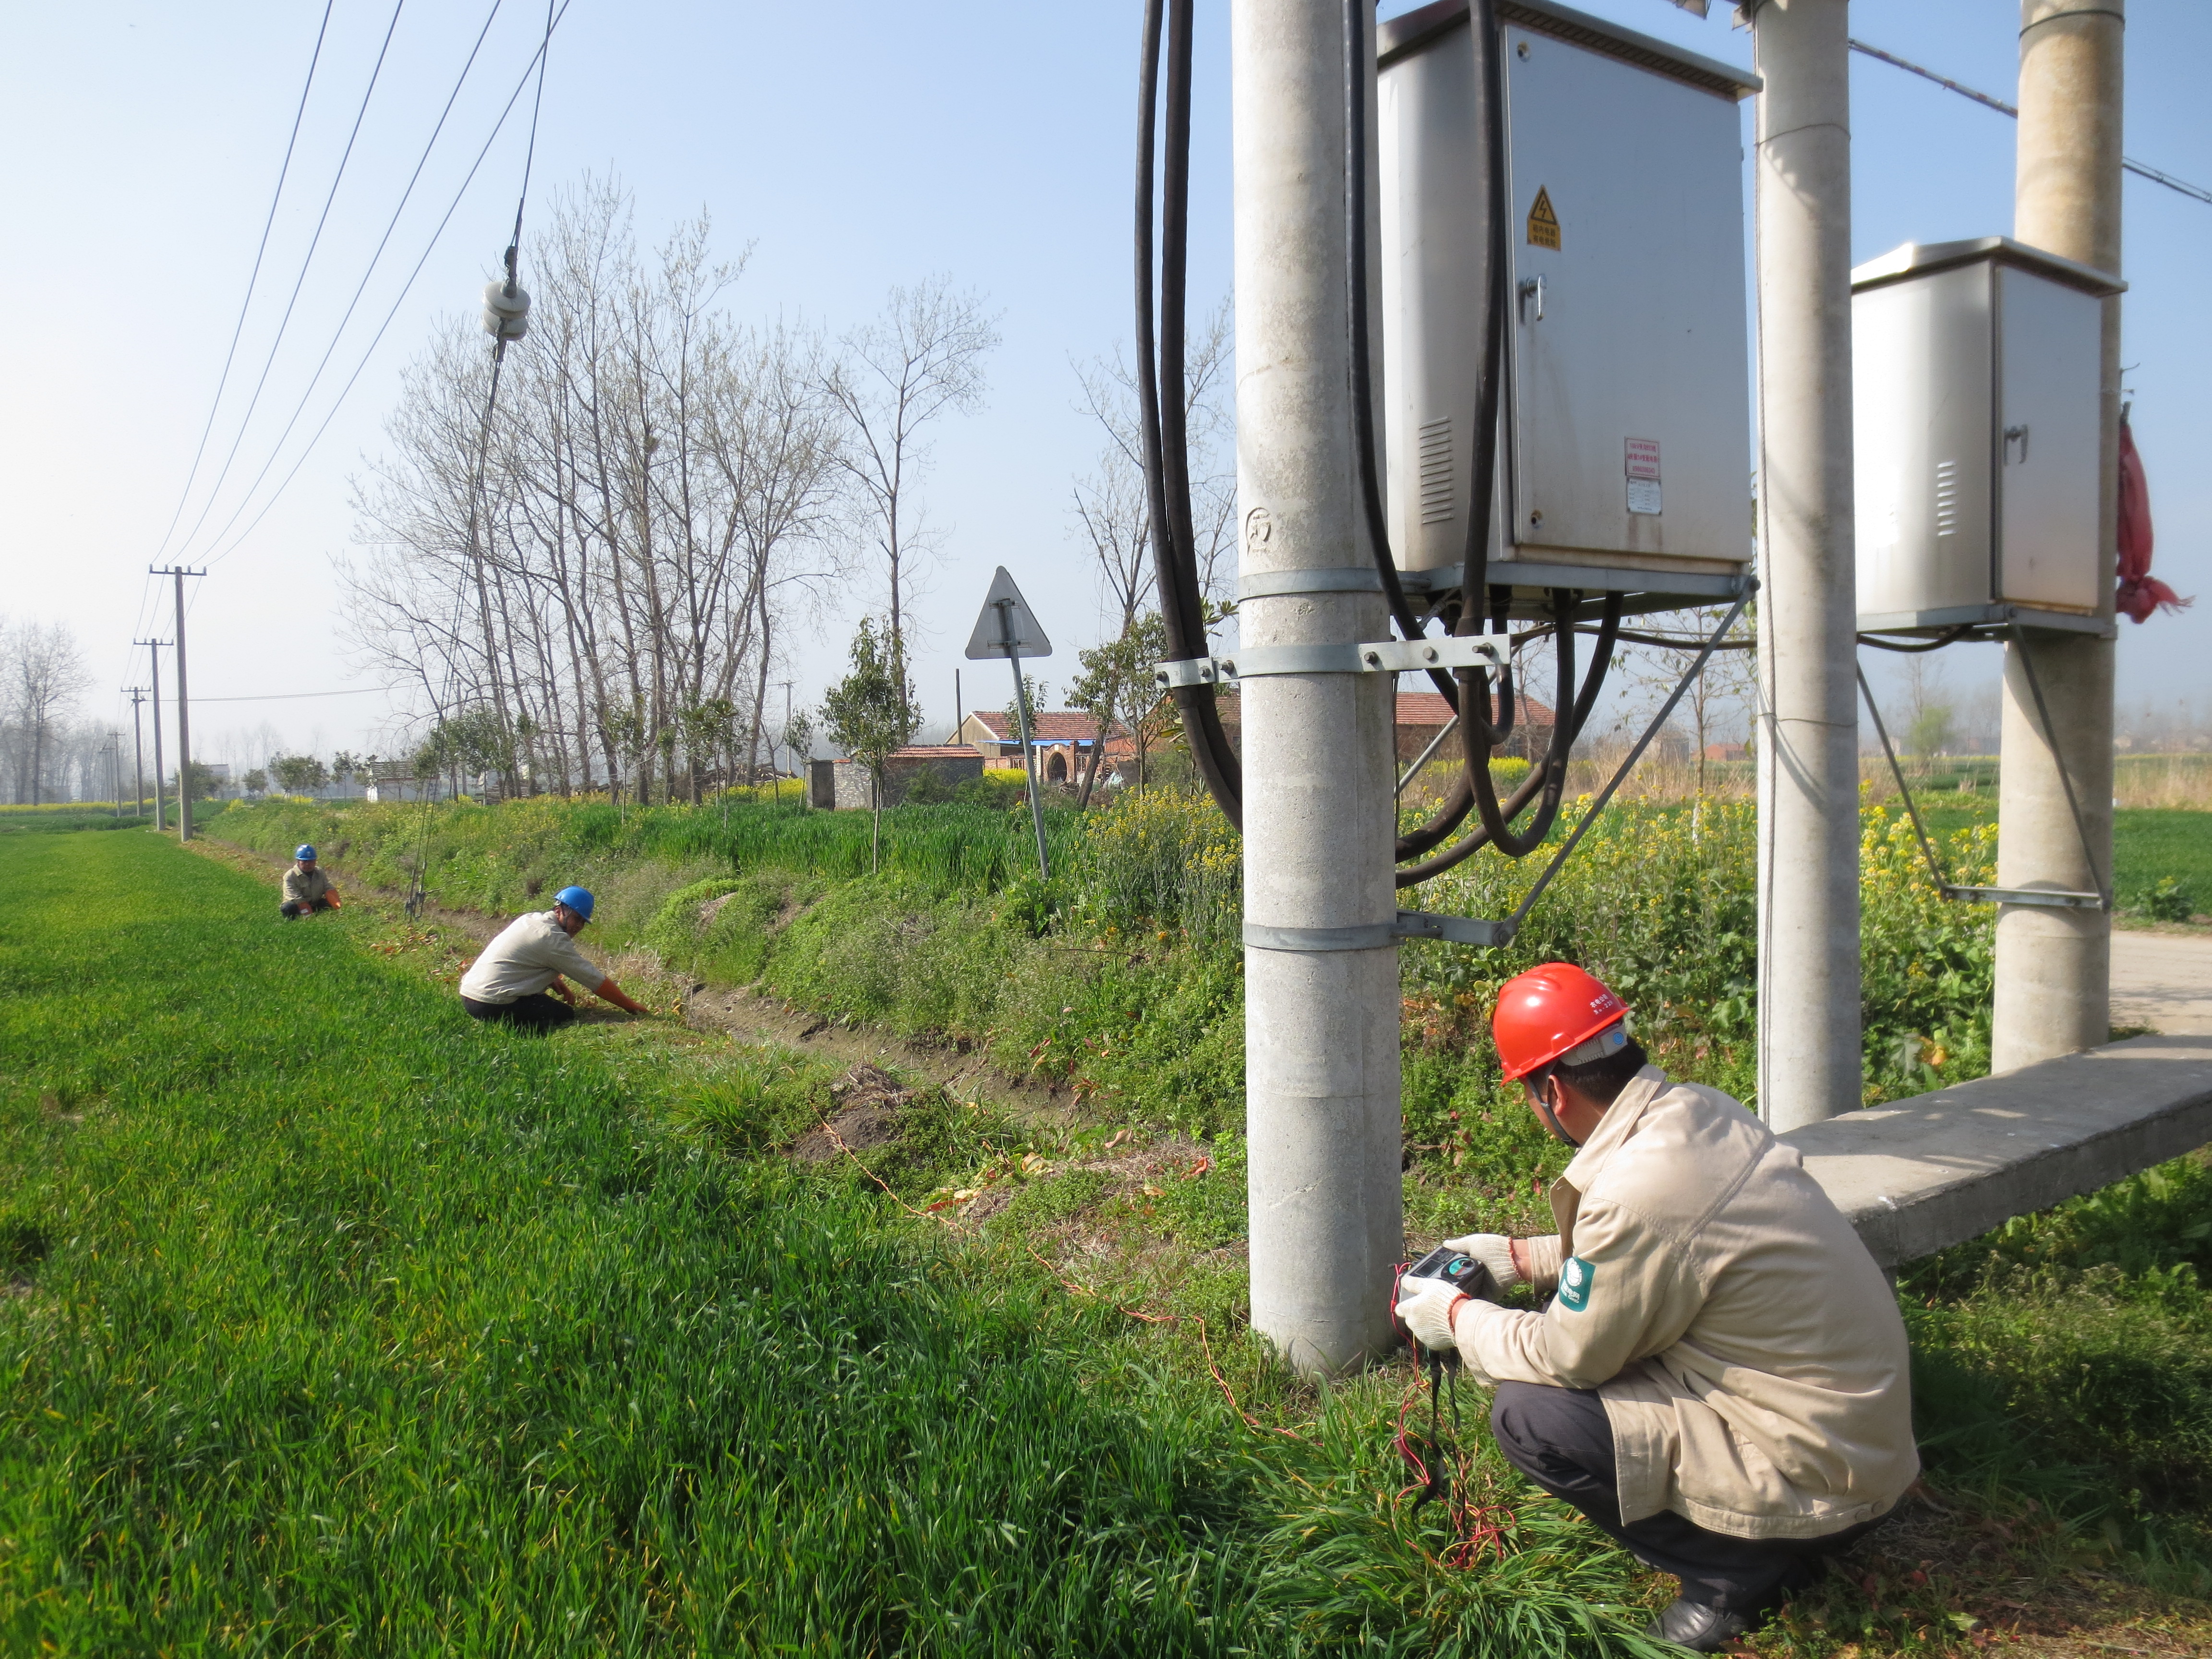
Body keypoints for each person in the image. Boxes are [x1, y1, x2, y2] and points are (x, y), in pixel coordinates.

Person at [1393, 963, 1917, 1653]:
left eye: (1526, 1093)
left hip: (1821, 1484)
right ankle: (1755, 1540)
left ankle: (1736, 1573)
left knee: (1533, 1413)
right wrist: (1521, 1259)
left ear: (1550, 1091)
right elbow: (1667, 1249)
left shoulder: (1636, 1192)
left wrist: (1459, 1319)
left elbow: (1569, 1357)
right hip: (1862, 1446)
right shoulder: (1702, 1111)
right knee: (1605, 1350)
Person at [457, 886, 653, 1032]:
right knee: (563, 1013)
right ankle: (520, 1032)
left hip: (470, 994)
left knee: (543, 1002)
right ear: (559, 910)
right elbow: (594, 980)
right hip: (490, 1004)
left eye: (583, 922)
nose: (579, 926)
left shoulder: (530, 919)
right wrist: (630, 1006)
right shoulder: (552, 939)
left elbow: (521, 959)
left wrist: (553, 980)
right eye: (576, 919)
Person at [280, 845, 342, 919]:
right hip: (298, 905)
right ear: (298, 861)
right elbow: (296, 898)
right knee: (289, 907)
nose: (308, 864)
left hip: (314, 903)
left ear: (315, 861)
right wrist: (307, 913)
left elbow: (327, 888)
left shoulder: (319, 872)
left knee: (328, 904)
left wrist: (336, 903)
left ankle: (322, 918)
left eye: (311, 861)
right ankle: (294, 921)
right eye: (305, 861)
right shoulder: (290, 876)